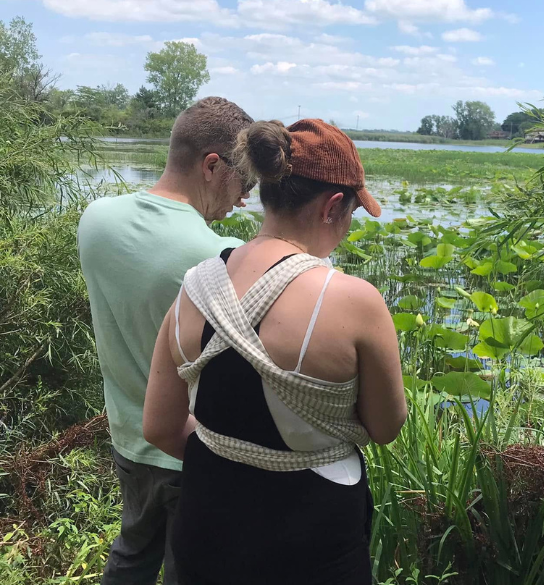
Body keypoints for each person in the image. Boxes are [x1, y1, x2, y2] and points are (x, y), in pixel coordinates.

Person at [142, 118, 407, 585]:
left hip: (204, 523)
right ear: (332, 207)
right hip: (312, 540)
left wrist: (233, 456)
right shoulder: (353, 300)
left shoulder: (195, 285)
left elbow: (159, 427)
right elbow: (385, 428)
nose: (347, 227)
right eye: (351, 214)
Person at [78, 96, 255, 585]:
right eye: (245, 181)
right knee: (192, 570)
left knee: (132, 552)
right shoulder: (222, 257)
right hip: (192, 444)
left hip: (129, 437)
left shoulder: (95, 219)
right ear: (213, 166)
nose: (243, 199)